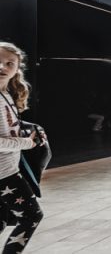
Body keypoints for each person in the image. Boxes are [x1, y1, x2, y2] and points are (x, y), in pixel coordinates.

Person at [0, 41, 45, 251]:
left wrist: (29, 130)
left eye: (9, 63)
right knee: (31, 216)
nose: (2, 67)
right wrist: (27, 143)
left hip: (7, 169)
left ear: (17, 68)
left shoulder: (6, 94)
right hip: (3, 174)